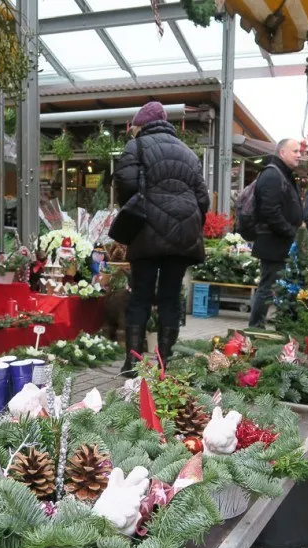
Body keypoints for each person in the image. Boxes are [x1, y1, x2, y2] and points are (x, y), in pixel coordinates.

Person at [114, 101, 210, 375]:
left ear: (141, 124)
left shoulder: (138, 146)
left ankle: (132, 362)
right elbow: (202, 198)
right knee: (170, 296)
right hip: (183, 236)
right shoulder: (189, 153)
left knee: (140, 296)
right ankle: (164, 363)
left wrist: (135, 206)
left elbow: (126, 182)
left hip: (146, 230)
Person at [249, 138, 303, 329]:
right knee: (267, 288)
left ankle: (277, 327)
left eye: (300, 151)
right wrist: (290, 232)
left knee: (278, 288)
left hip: (281, 242)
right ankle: (255, 329)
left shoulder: (284, 174)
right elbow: (270, 210)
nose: (299, 155)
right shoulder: (273, 175)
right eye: (295, 151)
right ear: (282, 153)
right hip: (274, 243)